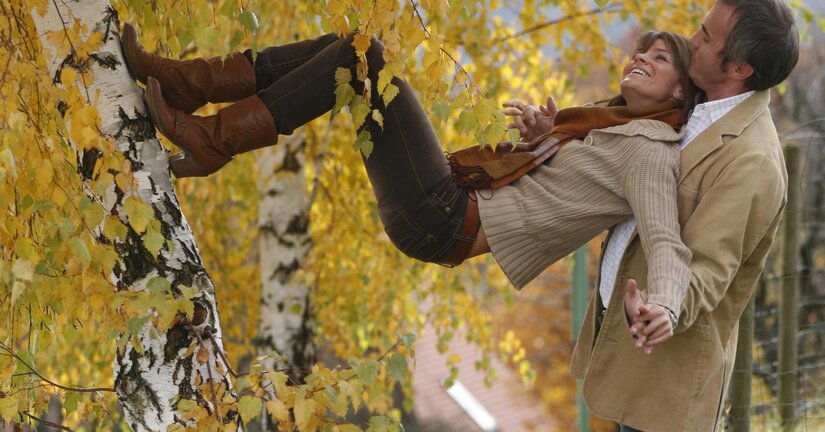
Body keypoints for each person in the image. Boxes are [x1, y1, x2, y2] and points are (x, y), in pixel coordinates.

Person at [121, 26, 698, 334]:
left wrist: (666, 308)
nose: (641, 57)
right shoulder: (606, 124)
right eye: (641, 49)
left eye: (661, 58)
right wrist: (541, 138)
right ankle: (185, 85)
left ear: (679, 93)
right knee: (347, 52)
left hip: (442, 217)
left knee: (365, 56)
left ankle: (210, 133)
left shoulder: (650, 151)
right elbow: (556, 191)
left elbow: (666, 240)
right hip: (443, 206)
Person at [569, 0, 799, 432]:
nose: (692, 39)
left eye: (706, 35)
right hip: (637, 338)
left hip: (668, 353)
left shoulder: (751, 160)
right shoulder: (699, 105)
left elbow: (711, 269)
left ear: (739, 68)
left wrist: (665, 308)